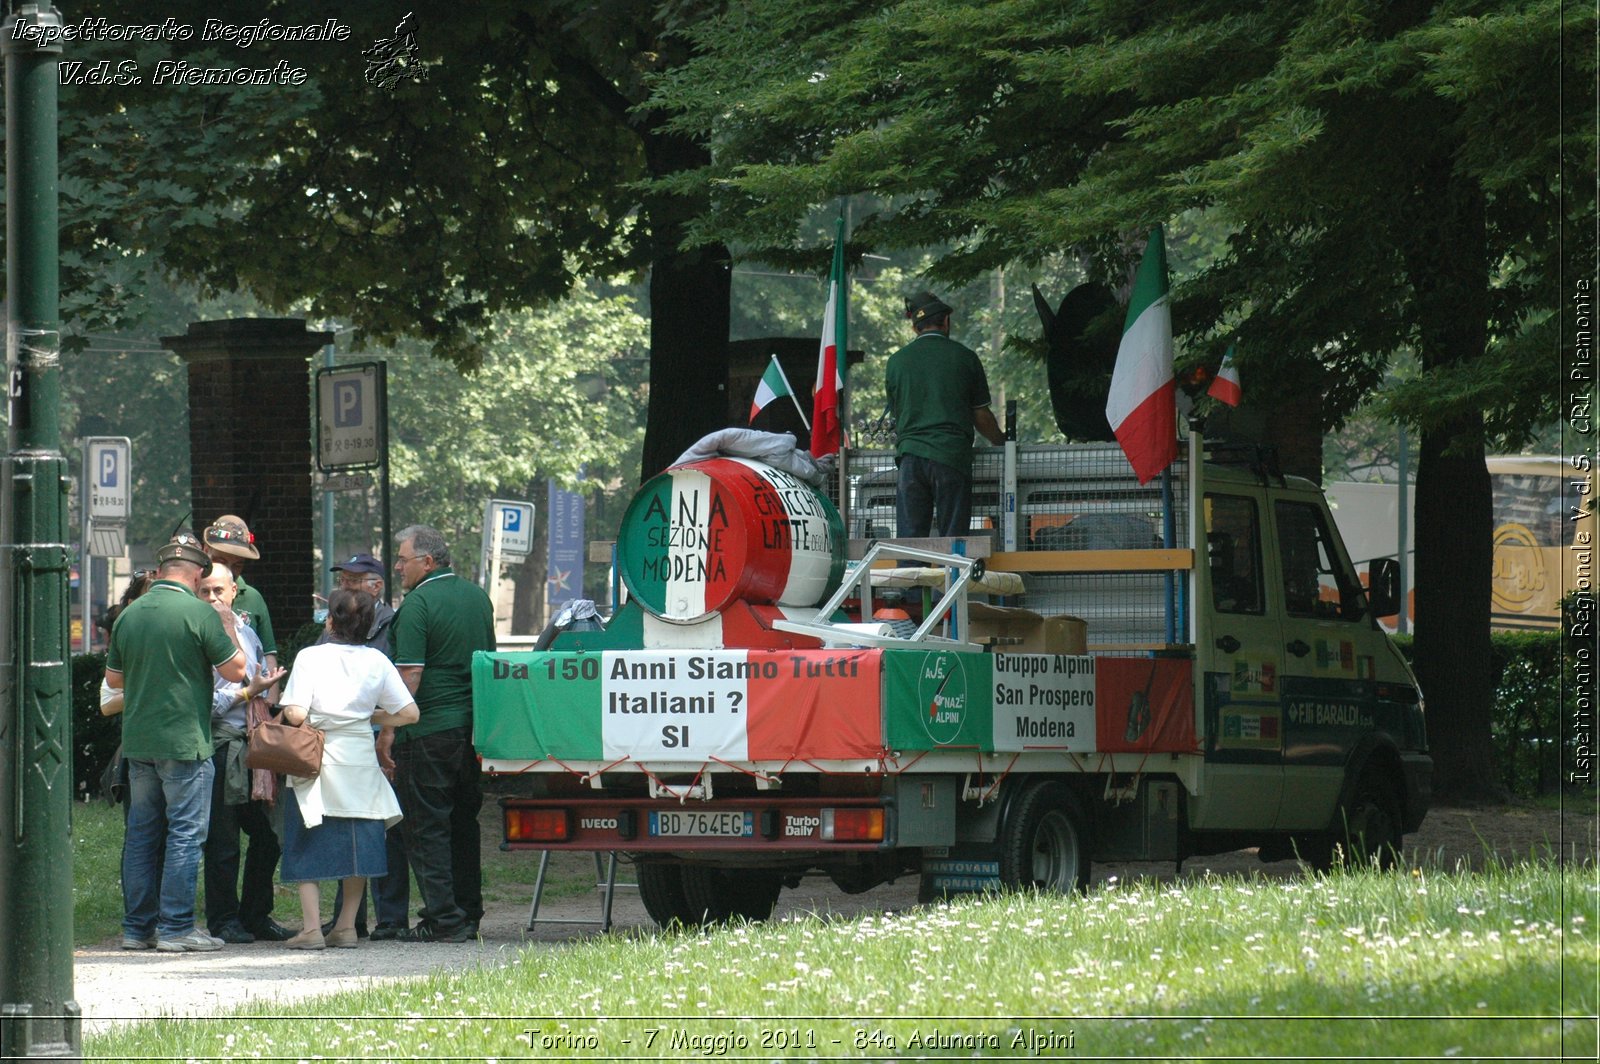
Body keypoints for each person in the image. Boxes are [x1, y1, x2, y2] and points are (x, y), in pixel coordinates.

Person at [106, 534, 247, 953]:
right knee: (185, 834)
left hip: (138, 741)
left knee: (141, 835)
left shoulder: (130, 614)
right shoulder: (200, 614)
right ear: (198, 572)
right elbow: (237, 671)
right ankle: (176, 928)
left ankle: (137, 929)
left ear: (163, 568)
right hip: (186, 741)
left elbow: (114, 680)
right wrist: (225, 624)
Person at [277, 589, 419, 950]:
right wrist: (367, 715)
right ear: (370, 626)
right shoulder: (377, 660)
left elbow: (293, 713)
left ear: (330, 621)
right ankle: (346, 927)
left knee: (307, 835)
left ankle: (311, 928)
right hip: (359, 758)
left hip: (317, 754)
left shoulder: (310, 657)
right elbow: (408, 713)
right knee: (359, 839)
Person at [381, 525, 495, 943]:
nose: (397, 566)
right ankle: (468, 913)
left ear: (427, 562)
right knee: (465, 822)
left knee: (427, 827)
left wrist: (387, 730)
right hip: (472, 729)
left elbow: (408, 676)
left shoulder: (418, 604)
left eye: (402, 558)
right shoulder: (477, 597)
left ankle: (443, 919)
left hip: (428, 730)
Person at [318, 552, 409, 939]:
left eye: (355, 580)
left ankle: (390, 918)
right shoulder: (330, 626)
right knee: (346, 827)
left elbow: (398, 689)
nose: (346, 586)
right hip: (342, 744)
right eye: (344, 580)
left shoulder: (392, 623)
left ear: (376, 585)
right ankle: (347, 920)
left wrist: (385, 732)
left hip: (379, 738)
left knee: (383, 829)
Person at [198, 567, 291, 944]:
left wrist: (267, 695)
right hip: (218, 745)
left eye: (218, 590)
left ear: (234, 591)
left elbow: (260, 684)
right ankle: (223, 920)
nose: (212, 598)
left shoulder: (249, 633)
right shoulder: (196, 634)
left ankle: (256, 915)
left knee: (268, 837)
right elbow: (203, 703)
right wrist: (249, 692)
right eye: (203, 591)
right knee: (222, 840)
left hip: (252, 743)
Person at [884, 291, 1006, 538]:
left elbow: (898, 414)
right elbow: (980, 415)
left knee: (910, 541)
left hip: (910, 460)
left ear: (914, 326)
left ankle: (910, 575)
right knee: (953, 540)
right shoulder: (965, 358)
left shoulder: (896, 362)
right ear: (946, 321)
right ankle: (954, 574)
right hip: (951, 457)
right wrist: (1001, 442)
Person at [203, 515, 279, 682]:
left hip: (249, 701)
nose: (229, 569)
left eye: (238, 564)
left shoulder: (253, 597)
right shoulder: (190, 593)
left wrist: (270, 703)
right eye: (220, 560)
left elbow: (268, 654)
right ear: (205, 551)